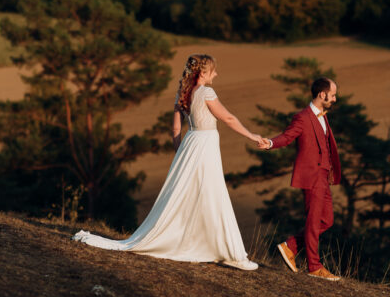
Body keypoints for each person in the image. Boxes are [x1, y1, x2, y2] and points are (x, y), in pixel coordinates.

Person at [73, 54, 261, 270]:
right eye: (213, 71)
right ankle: (231, 253)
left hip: (190, 144)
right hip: (205, 144)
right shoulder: (207, 92)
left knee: (190, 193)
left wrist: (180, 152)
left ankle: (214, 247)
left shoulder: (182, 93)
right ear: (203, 73)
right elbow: (228, 118)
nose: (216, 74)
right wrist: (252, 135)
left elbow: (175, 129)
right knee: (212, 192)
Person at [258, 77, 342, 281]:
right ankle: (314, 266)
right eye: (333, 95)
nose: (335, 99)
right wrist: (270, 143)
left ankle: (291, 246)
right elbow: (287, 137)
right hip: (312, 175)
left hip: (323, 174)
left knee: (327, 220)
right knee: (313, 221)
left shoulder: (323, 116)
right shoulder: (302, 117)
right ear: (322, 95)